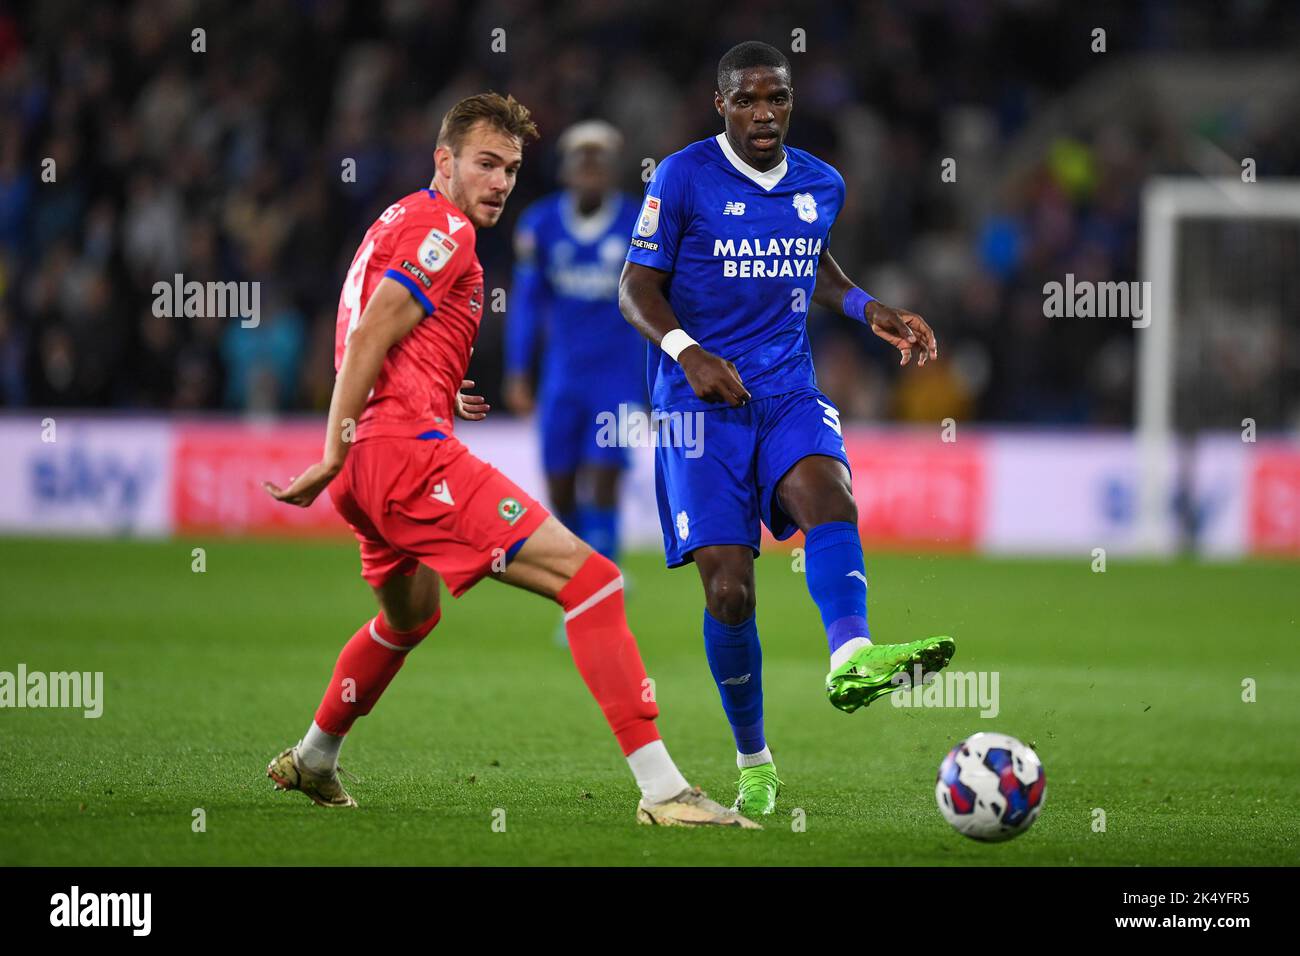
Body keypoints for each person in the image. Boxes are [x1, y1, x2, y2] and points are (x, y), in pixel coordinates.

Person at [263, 92, 755, 829]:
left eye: (512, 169)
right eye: (485, 164)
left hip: (377, 463)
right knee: (593, 582)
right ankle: (664, 791)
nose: (499, 182)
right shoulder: (447, 231)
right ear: (445, 161)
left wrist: (429, 391)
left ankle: (314, 757)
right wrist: (332, 448)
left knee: (409, 618)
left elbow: (377, 328)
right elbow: (367, 337)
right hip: (400, 458)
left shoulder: (397, 219)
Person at [618, 42, 955, 818]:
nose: (764, 114)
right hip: (697, 405)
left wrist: (869, 307)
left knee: (827, 493)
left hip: (785, 387)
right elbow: (635, 288)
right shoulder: (682, 176)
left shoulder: (821, 182)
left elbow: (811, 261)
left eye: (777, 99)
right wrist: (688, 351)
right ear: (721, 104)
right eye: (747, 100)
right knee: (731, 593)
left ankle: (853, 657)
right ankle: (755, 759)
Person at [504, 120, 644, 564]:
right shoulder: (540, 224)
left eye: (598, 161)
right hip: (562, 374)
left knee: (604, 477)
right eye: (581, 161)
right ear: (566, 170)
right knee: (560, 485)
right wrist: (518, 370)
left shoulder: (639, 222)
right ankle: (589, 568)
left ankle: (600, 586)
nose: (589, 169)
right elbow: (526, 305)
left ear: (612, 170)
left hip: (618, 374)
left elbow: (660, 301)